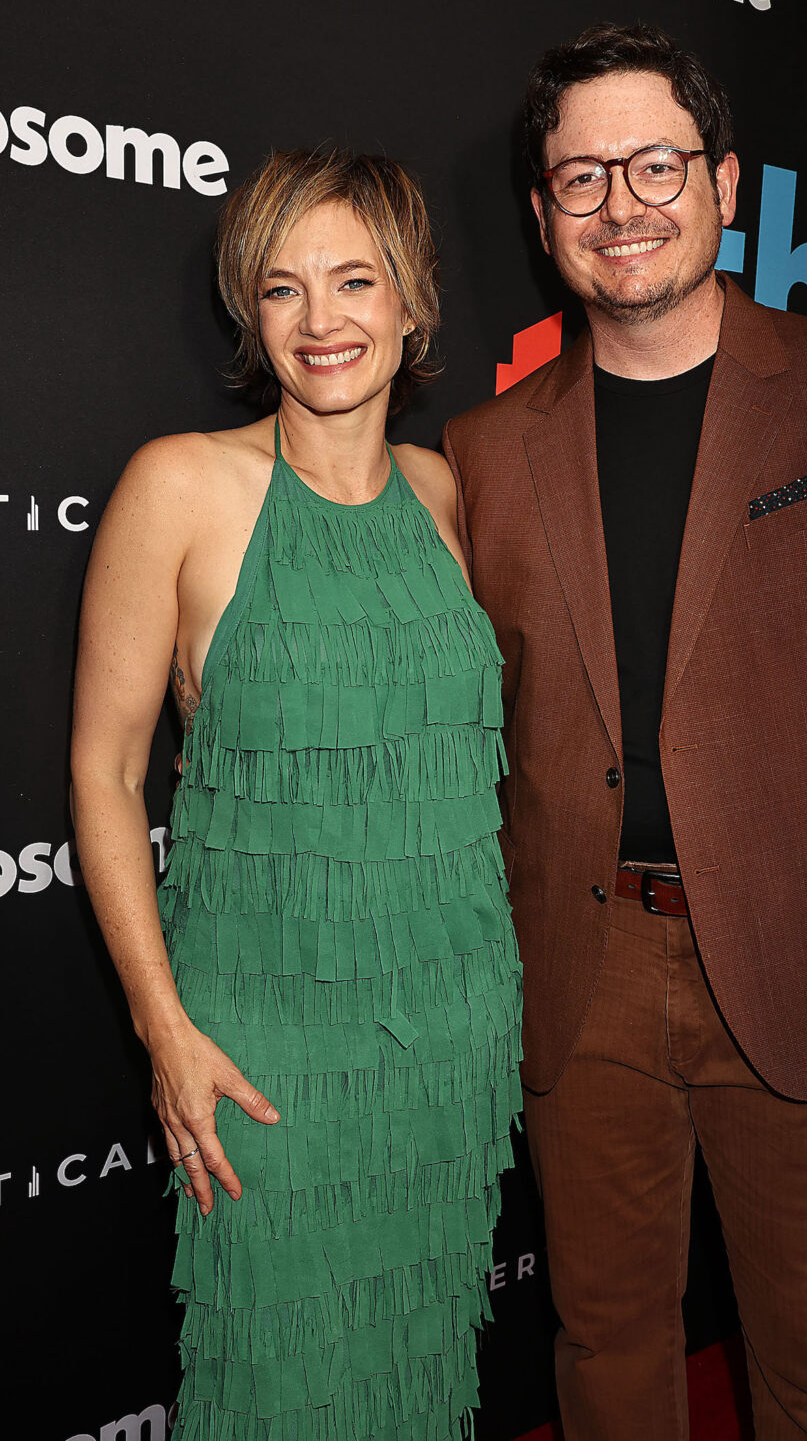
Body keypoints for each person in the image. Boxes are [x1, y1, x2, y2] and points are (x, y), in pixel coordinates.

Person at [442, 24, 807, 1440]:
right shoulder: (485, 454)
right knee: (611, 1355)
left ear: (728, 184)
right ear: (542, 213)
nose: (622, 202)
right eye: (581, 178)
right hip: (581, 971)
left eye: (656, 164)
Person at [70, 148, 522, 1441]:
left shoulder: (444, 493)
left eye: (355, 281)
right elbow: (103, 775)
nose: (322, 322)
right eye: (283, 288)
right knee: (276, 1382)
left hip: (451, 1034)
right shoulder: (180, 487)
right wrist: (165, 1030)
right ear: (248, 311)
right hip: (263, 1048)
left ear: (413, 303)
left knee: (420, 1365)